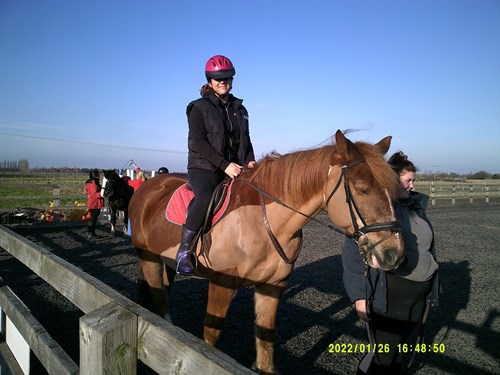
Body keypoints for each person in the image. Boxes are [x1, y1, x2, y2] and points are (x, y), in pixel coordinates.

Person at [342, 151, 439, 374]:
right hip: (393, 295)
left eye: (413, 181)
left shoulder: (416, 209)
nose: (412, 186)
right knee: (383, 356)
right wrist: (359, 297)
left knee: (402, 352)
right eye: (408, 181)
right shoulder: (377, 214)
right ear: (393, 182)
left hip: (418, 295)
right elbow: (351, 256)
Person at [175, 54, 257, 275]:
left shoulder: (240, 109)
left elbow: (246, 140)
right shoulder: (198, 108)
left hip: (235, 166)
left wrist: (250, 160)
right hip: (205, 167)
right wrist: (224, 164)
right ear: (209, 81)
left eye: (227, 77)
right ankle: (185, 250)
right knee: (206, 197)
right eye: (217, 78)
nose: (223, 82)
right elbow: (199, 142)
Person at [85, 169, 104, 238]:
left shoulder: (94, 182)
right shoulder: (92, 184)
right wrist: (102, 194)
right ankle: (90, 233)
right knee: (93, 218)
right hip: (94, 203)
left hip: (95, 203)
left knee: (94, 218)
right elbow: (94, 195)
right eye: (98, 174)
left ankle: (91, 232)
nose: (99, 175)